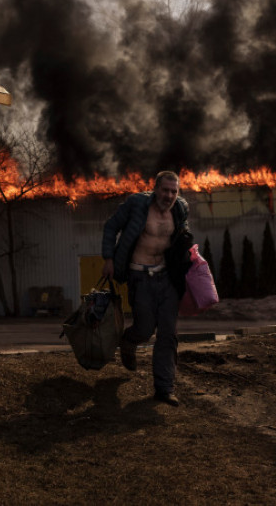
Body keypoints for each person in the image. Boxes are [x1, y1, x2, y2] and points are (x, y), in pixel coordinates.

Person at [101, 170, 193, 406]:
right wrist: (108, 259)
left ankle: (164, 388)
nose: (169, 195)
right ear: (155, 189)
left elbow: (182, 237)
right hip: (139, 276)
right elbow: (111, 227)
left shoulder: (180, 209)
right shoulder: (136, 204)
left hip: (166, 278)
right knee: (144, 328)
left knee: (168, 333)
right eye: (165, 190)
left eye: (174, 191)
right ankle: (129, 340)